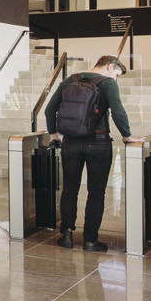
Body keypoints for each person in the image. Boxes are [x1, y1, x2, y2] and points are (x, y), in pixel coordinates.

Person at [44, 54, 134, 251]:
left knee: (69, 189)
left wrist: (53, 134)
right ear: (109, 67)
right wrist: (127, 135)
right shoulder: (107, 83)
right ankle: (90, 240)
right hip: (98, 143)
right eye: (117, 74)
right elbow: (118, 111)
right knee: (96, 192)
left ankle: (67, 236)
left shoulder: (70, 80)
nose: (116, 79)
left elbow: (49, 110)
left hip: (70, 143)